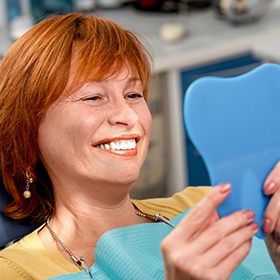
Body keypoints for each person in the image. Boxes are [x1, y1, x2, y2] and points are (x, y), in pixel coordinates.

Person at [0, 12, 279, 280]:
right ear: (29, 130)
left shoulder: (208, 205)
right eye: (93, 97)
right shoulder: (14, 273)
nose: (129, 116)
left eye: (133, 94)